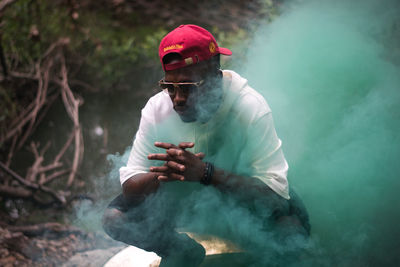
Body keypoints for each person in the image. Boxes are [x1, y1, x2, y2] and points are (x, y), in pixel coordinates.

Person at [102, 24, 310, 266]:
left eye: (188, 88)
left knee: (292, 231)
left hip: (240, 203)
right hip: (185, 203)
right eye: (170, 87)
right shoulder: (156, 109)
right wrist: (163, 175)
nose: (178, 100)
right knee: (115, 218)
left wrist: (206, 173)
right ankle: (181, 251)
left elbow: (275, 198)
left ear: (214, 77)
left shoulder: (250, 107)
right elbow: (131, 188)